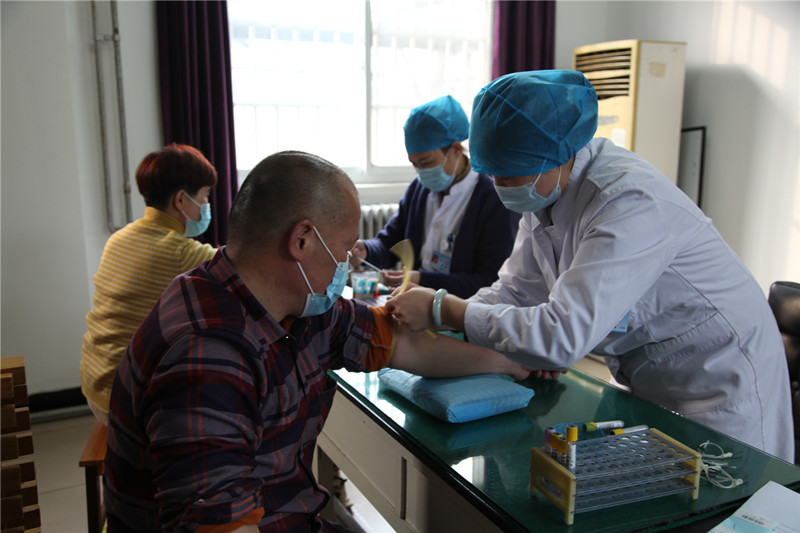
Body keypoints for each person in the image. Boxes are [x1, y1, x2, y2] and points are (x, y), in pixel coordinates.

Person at [103, 151, 533, 533]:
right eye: (344, 250)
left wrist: (506, 362)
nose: (347, 264)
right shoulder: (207, 356)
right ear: (302, 241)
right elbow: (220, 523)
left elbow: (405, 344)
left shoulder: (297, 305)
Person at [385, 70, 794, 462]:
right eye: (493, 174)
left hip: (719, 383)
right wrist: (454, 319)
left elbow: (563, 335)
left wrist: (446, 309)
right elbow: (516, 290)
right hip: (645, 373)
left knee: (724, 496)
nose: (499, 186)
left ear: (557, 154)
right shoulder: (545, 191)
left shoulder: (626, 199)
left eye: (509, 175)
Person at [79, 143, 218, 425]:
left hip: (95, 380)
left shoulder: (120, 238)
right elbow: (243, 268)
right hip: (125, 397)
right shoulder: (179, 252)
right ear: (181, 200)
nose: (206, 205)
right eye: (204, 196)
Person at [349, 95, 519, 299]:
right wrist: (367, 251)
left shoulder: (493, 200)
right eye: (415, 164)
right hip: (417, 302)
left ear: (456, 150)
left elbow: (489, 282)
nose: (422, 172)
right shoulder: (418, 190)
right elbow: (390, 243)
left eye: (427, 163)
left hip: (464, 308)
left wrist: (423, 279)